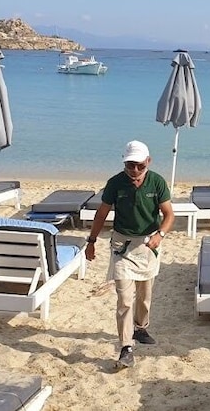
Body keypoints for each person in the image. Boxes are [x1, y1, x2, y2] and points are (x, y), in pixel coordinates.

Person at [85, 140, 174, 370]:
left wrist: (160, 235)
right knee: (125, 299)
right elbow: (101, 214)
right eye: (129, 165)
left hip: (148, 244)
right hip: (122, 245)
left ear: (148, 162)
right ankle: (126, 347)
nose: (134, 170)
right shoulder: (115, 183)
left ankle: (141, 328)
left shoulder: (157, 182)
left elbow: (168, 214)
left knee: (144, 295)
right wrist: (91, 242)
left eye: (139, 166)